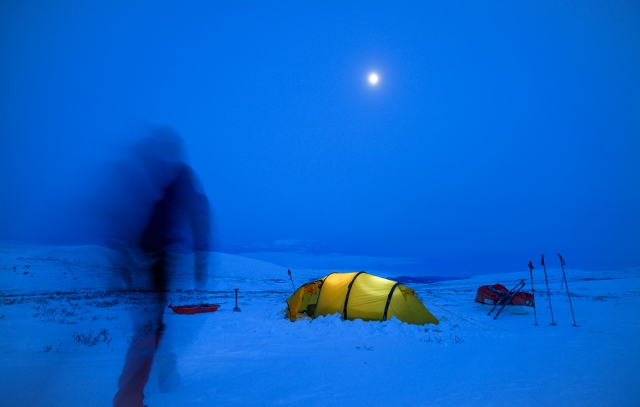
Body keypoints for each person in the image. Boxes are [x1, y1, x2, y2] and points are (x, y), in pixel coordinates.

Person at [109, 125, 211, 407]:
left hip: (157, 261)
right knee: (149, 325)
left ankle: (135, 391)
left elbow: (198, 215)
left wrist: (200, 259)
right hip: (143, 260)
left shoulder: (176, 178)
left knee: (149, 326)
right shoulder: (156, 177)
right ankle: (158, 373)